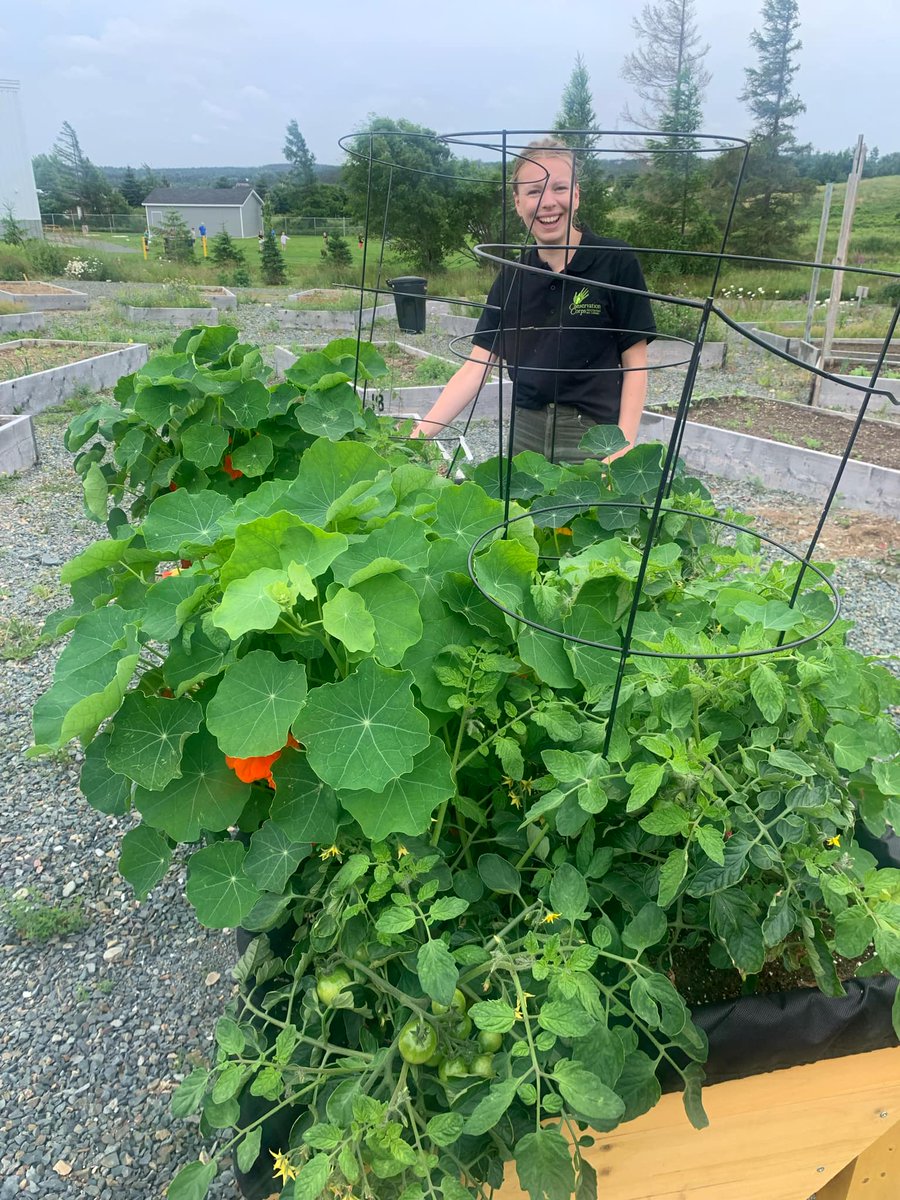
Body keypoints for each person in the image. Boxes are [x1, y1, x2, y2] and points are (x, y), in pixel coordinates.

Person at [414, 138, 655, 464]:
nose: (547, 202)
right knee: (522, 513)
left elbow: (636, 364)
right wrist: (416, 438)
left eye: (558, 188)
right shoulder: (512, 277)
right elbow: (476, 368)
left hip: (594, 436)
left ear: (577, 194)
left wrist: (622, 448)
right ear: (517, 202)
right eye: (533, 191)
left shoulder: (615, 261)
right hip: (526, 431)